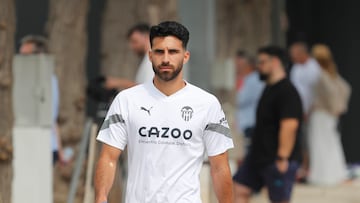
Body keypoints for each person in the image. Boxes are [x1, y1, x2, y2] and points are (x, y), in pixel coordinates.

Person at [95, 21, 234, 203]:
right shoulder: (126, 100)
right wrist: (100, 197)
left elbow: (219, 167)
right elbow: (108, 157)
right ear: (150, 55)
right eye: (160, 52)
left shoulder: (207, 104)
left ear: (185, 56)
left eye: (173, 52)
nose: (166, 59)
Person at [233, 46, 303, 203]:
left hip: (277, 158)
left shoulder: (287, 91)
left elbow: (290, 126)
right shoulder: (269, 88)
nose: (259, 66)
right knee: (239, 188)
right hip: (258, 155)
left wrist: (282, 157)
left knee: (279, 199)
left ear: (275, 62)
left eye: (263, 62)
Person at [307, 44, 351, 185]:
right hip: (327, 115)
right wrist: (338, 107)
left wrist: (335, 108)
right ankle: (333, 174)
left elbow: (334, 92)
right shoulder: (330, 73)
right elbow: (345, 88)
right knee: (330, 143)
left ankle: (324, 176)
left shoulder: (322, 74)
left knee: (322, 144)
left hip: (322, 114)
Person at [19, 35, 64, 165]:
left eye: (26, 56)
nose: (21, 60)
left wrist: (59, 148)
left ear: (39, 55)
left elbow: (51, 116)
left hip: (42, 146)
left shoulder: (48, 80)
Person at [289, 42, 321, 180]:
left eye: (295, 54)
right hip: (297, 109)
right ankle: (302, 167)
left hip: (311, 111)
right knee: (300, 140)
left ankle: (309, 168)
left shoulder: (314, 68)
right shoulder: (296, 68)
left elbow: (314, 93)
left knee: (309, 140)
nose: (292, 57)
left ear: (302, 53)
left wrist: (308, 109)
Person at [105, 23, 154, 90]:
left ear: (147, 37)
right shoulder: (147, 59)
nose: (132, 46)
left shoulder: (152, 60)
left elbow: (148, 89)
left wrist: (118, 83)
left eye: (134, 41)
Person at [235, 50, 264, 154]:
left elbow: (240, 100)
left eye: (239, 65)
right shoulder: (247, 80)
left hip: (252, 123)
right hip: (247, 124)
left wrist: (238, 82)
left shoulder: (254, 80)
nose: (237, 68)